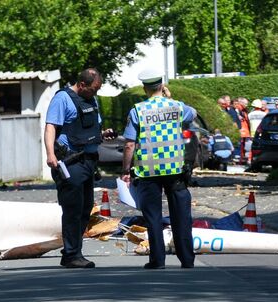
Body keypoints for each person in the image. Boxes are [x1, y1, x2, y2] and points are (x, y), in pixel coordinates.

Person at [121, 68, 196, 270]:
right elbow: (192, 114)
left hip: (148, 171)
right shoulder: (178, 107)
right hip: (176, 170)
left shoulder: (137, 110)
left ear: (145, 88)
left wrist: (126, 169)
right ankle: (187, 260)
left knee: (153, 217)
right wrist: (171, 98)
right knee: (181, 216)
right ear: (162, 86)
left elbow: (129, 144)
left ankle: (158, 260)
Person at [43, 67, 115, 269]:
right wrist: (50, 154)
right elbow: (50, 127)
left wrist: (104, 133)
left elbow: (90, 128)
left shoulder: (91, 100)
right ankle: (72, 254)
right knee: (72, 209)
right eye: (93, 89)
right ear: (82, 85)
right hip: (70, 162)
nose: (96, 93)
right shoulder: (62, 99)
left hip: (88, 161)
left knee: (85, 209)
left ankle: (73, 251)